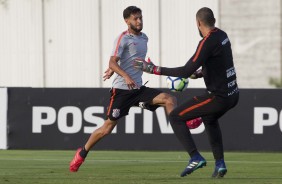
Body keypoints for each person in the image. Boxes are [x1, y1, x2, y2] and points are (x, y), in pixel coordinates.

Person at [133, 7, 239, 178]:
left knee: (175, 116)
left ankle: (195, 157)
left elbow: (184, 71)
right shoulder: (222, 35)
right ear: (214, 21)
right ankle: (220, 164)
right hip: (234, 94)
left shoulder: (207, 42)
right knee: (209, 119)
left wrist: (153, 69)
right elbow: (218, 64)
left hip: (219, 97)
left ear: (198, 23)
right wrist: (198, 74)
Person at [69, 6, 177, 172]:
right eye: (135, 19)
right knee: (107, 129)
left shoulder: (145, 38)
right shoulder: (123, 38)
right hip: (121, 91)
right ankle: (82, 153)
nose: (139, 21)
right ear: (127, 21)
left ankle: (183, 124)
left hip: (138, 89)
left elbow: (133, 60)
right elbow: (112, 61)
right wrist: (123, 74)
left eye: (141, 17)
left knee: (169, 99)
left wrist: (145, 66)